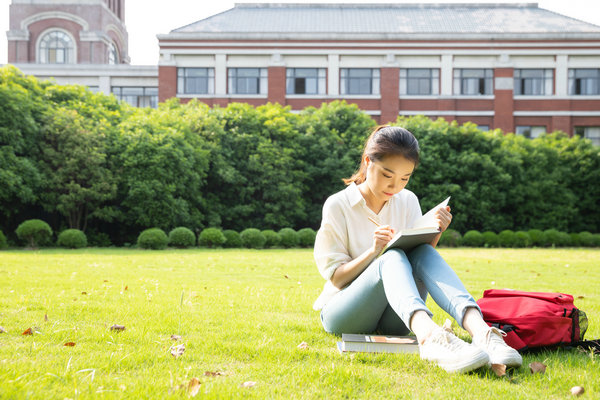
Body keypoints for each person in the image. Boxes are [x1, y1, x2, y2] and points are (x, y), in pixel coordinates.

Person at [313, 125, 522, 373]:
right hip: (344, 313)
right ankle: (430, 338)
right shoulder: (339, 204)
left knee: (423, 252)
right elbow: (336, 277)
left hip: (397, 316)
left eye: (404, 178)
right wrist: (373, 251)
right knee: (390, 256)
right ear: (368, 161)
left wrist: (436, 231)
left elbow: (419, 259)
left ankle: (483, 333)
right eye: (387, 175)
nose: (394, 186)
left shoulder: (407, 200)